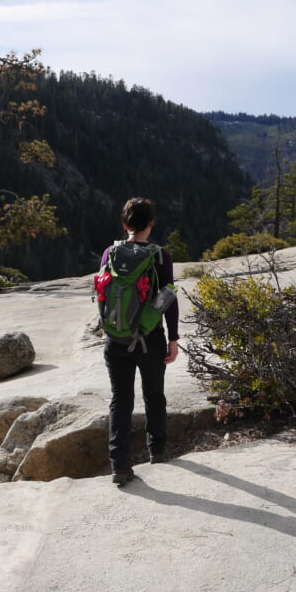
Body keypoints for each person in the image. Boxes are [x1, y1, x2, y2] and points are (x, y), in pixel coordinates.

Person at [100, 197, 179, 487]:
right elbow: (168, 300)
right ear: (151, 223)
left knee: (120, 400)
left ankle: (119, 466)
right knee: (154, 395)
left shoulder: (110, 252)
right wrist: (174, 338)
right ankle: (157, 452)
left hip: (116, 338)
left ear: (125, 225)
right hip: (150, 339)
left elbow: (102, 292)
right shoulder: (160, 256)